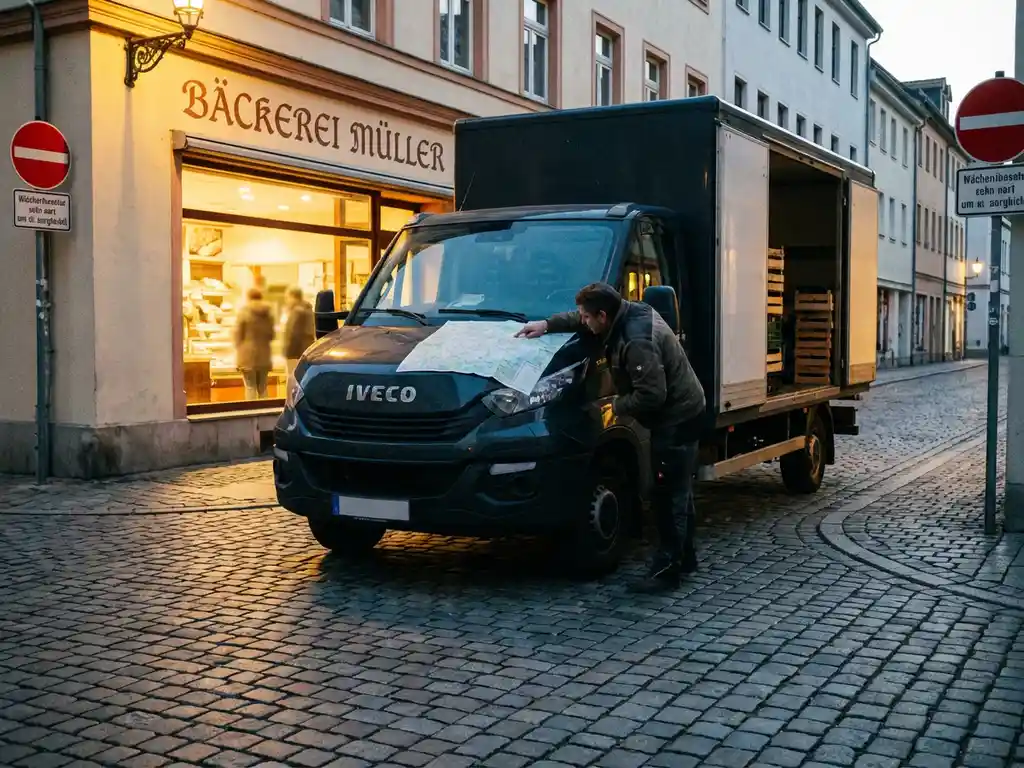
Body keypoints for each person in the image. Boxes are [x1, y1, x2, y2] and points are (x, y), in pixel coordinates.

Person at [516, 282, 706, 592]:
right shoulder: (625, 311)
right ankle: (685, 558)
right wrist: (546, 325)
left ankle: (668, 569)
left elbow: (652, 395)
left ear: (602, 316)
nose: (584, 323)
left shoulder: (636, 340)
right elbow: (578, 317)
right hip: (683, 410)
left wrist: (614, 405)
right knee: (678, 488)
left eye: (588, 318)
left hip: (678, 417)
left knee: (668, 492)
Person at [234, 287, 276, 400]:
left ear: (248, 298)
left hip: (247, 356)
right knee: (263, 388)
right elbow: (272, 335)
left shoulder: (244, 312)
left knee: (250, 387)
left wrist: (238, 350)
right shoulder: (269, 314)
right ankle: (265, 413)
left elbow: (238, 335)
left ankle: (251, 413)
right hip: (264, 355)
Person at [283, 286, 315, 380]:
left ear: (293, 297)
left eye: (287, 298)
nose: (287, 301)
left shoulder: (297, 311)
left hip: (295, 352)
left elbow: (294, 333)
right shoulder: (308, 309)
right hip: (306, 350)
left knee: (292, 379)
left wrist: (288, 352)